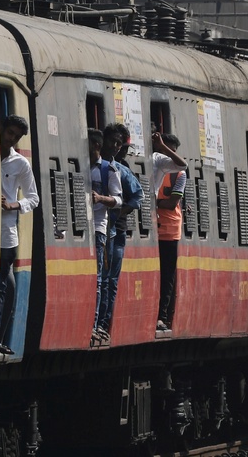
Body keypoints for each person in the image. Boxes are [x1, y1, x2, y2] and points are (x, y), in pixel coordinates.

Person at [0, 115, 38, 356]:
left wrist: (13, 205)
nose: (11, 139)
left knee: (1, 284)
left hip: (6, 232)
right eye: (9, 133)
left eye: (16, 137)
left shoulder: (20, 163)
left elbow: (34, 198)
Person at [95, 123, 135, 341]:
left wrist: (117, 214)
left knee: (109, 280)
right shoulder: (102, 165)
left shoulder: (119, 169)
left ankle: (102, 323)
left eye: (120, 144)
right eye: (114, 142)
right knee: (102, 278)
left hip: (114, 231)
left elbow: (137, 197)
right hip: (104, 230)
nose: (117, 147)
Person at [89, 128, 122, 345]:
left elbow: (118, 200)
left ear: (97, 147)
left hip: (99, 229)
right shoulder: (82, 166)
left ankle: (95, 324)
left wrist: (101, 198)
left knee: (99, 279)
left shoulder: (108, 170)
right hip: (83, 229)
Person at [153, 131, 187, 332]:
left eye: (172, 153)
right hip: (151, 228)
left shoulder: (179, 174)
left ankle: (162, 315)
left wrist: (154, 202)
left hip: (170, 230)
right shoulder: (155, 166)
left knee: (167, 275)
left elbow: (172, 203)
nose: (170, 159)